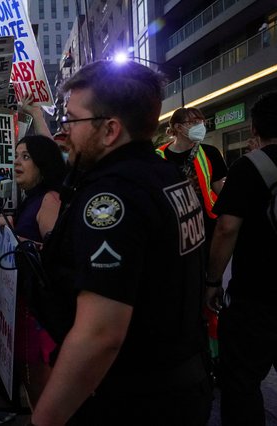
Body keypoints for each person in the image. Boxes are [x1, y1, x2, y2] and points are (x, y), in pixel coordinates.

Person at [30, 60, 212, 425]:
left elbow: (100, 334)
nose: (64, 132)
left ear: (110, 129)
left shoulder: (113, 197)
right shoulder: (166, 175)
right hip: (180, 385)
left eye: (72, 120)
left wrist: (44, 419)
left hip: (133, 400)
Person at [205, 92, 277, 426]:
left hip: (257, 295)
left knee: (242, 381)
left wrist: (213, 280)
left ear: (255, 127)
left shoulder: (251, 166)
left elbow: (226, 228)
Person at [10, 135, 65, 408]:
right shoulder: (29, 200)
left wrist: (16, 241)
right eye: (16, 155)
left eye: (26, 156)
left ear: (42, 164)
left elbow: (58, 255)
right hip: (25, 308)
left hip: (39, 316)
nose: (17, 162)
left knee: (44, 401)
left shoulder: (49, 199)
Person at [156, 107, 227, 248]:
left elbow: (220, 189)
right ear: (178, 127)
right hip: (171, 227)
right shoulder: (157, 156)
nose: (200, 126)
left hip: (207, 225)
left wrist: (228, 219)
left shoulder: (210, 153)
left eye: (201, 122)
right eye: (194, 122)